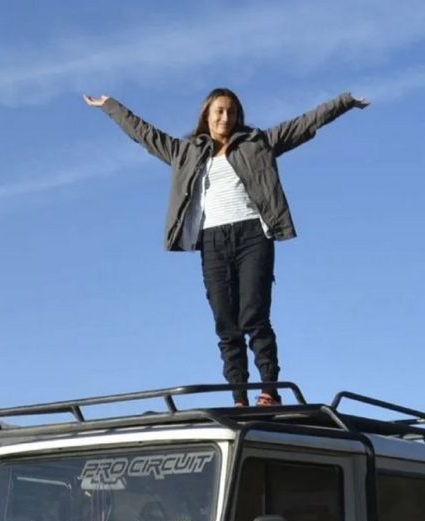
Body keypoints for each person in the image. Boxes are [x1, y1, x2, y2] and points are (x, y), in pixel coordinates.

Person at [85, 89, 368, 405]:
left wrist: (344, 102)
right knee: (225, 322)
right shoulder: (184, 151)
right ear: (207, 115)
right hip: (212, 241)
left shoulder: (258, 143)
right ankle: (239, 397)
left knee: (254, 316)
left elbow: (305, 123)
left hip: (253, 236)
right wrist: (110, 106)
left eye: (231, 112)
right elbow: (144, 134)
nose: (225, 118)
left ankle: (269, 391)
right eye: (219, 111)